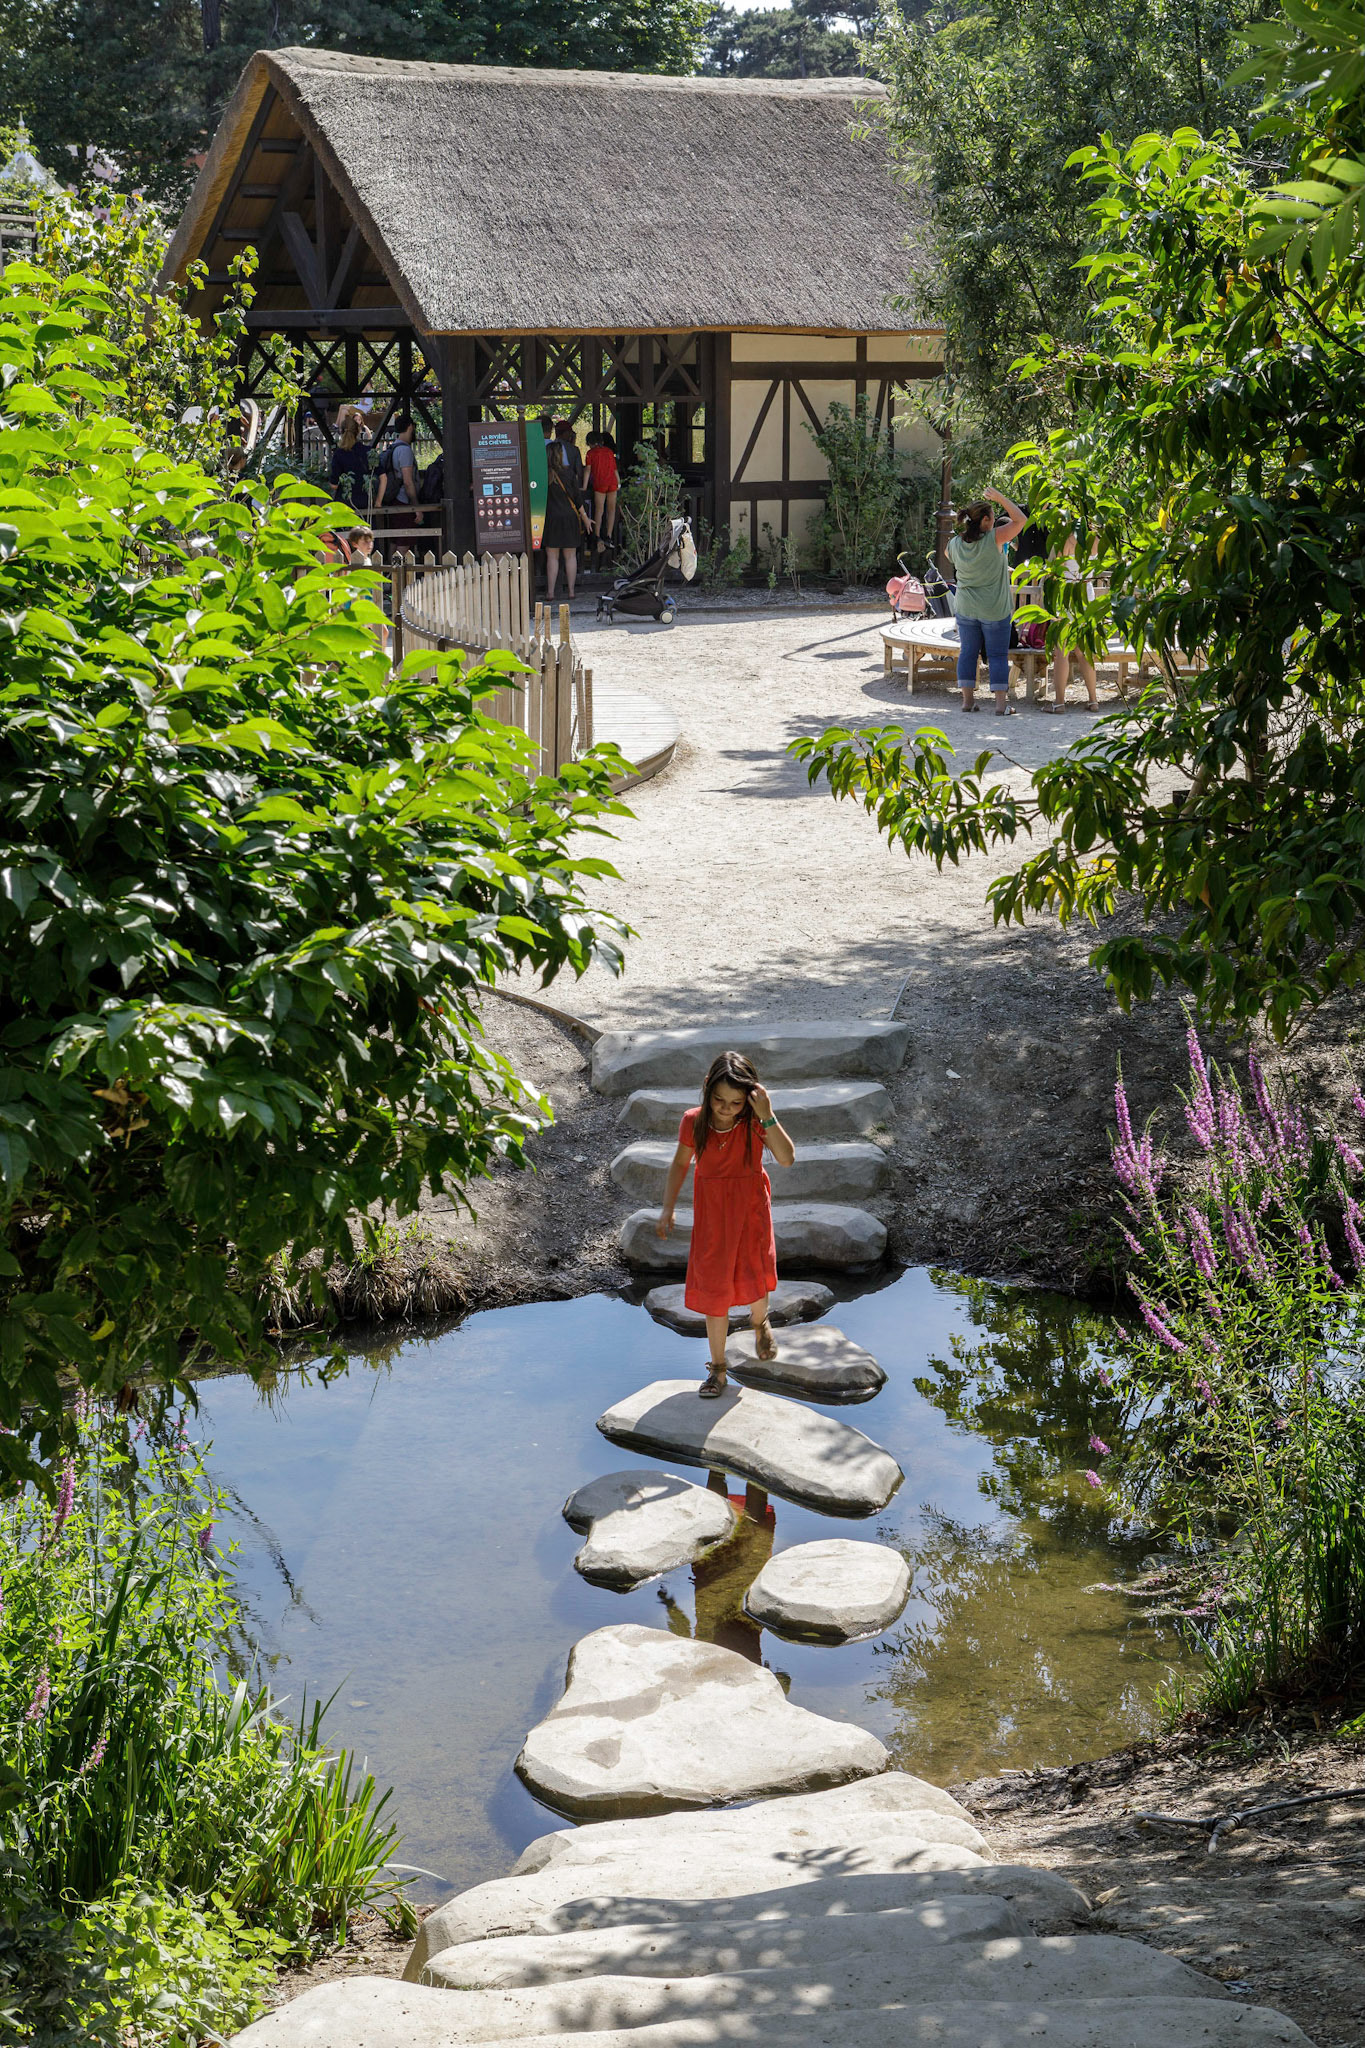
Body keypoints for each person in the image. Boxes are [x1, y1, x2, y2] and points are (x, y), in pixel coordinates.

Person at [656, 1052, 796, 1398]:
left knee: (754, 1272)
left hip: (749, 1211)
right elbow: (679, 1164)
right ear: (706, 1089)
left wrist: (767, 1115)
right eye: (718, 1099)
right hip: (712, 1218)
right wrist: (668, 1207)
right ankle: (718, 1369)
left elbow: (786, 1158)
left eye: (736, 1102)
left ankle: (759, 1320)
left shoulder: (752, 1123)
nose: (726, 1108)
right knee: (714, 1288)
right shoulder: (694, 1121)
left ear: (748, 1100)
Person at [947, 487, 1028, 715]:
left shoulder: (955, 544)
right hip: (994, 608)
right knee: (997, 655)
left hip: (965, 607)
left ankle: (967, 701)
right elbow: (1020, 519)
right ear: (985, 520)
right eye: (992, 517)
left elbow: (947, 555)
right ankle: (1001, 706)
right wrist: (1001, 497)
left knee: (968, 652)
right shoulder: (996, 538)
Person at [1046, 533, 1100, 713]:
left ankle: (1059, 702)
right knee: (1085, 651)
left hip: (1065, 596)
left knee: (1061, 651)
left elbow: (1055, 573)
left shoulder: (1063, 540)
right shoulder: (1094, 539)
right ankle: (1093, 699)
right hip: (1086, 596)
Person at [544, 418, 585, 602]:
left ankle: (551, 593)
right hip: (569, 517)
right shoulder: (568, 473)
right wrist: (585, 518)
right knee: (570, 556)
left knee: (552, 557)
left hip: (551, 518)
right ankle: (571, 591)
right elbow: (577, 498)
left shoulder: (544, 474)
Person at [584, 428, 620, 560]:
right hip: (613, 482)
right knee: (611, 510)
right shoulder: (609, 451)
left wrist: (583, 486)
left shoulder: (590, 453)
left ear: (590, 442)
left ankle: (598, 536)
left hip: (600, 483)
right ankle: (609, 536)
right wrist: (619, 483)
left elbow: (588, 470)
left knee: (599, 510)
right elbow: (615, 469)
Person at [375, 414, 419, 514]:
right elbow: (408, 482)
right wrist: (417, 507)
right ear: (410, 427)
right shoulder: (405, 450)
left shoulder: (393, 447)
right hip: (404, 502)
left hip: (393, 499)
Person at [328, 412, 369, 511]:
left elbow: (334, 485)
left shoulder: (339, 454)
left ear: (341, 431)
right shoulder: (367, 451)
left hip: (344, 503)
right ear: (358, 431)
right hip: (364, 502)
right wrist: (378, 502)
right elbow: (382, 476)